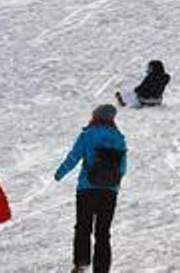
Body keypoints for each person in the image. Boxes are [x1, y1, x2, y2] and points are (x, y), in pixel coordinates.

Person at [54, 104, 128, 273]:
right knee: (103, 232)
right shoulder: (119, 138)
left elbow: (74, 156)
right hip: (110, 191)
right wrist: (114, 184)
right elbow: (123, 167)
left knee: (83, 226)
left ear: (96, 116)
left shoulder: (88, 134)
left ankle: (81, 264)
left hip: (87, 188)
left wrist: (60, 173)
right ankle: (102, 269)